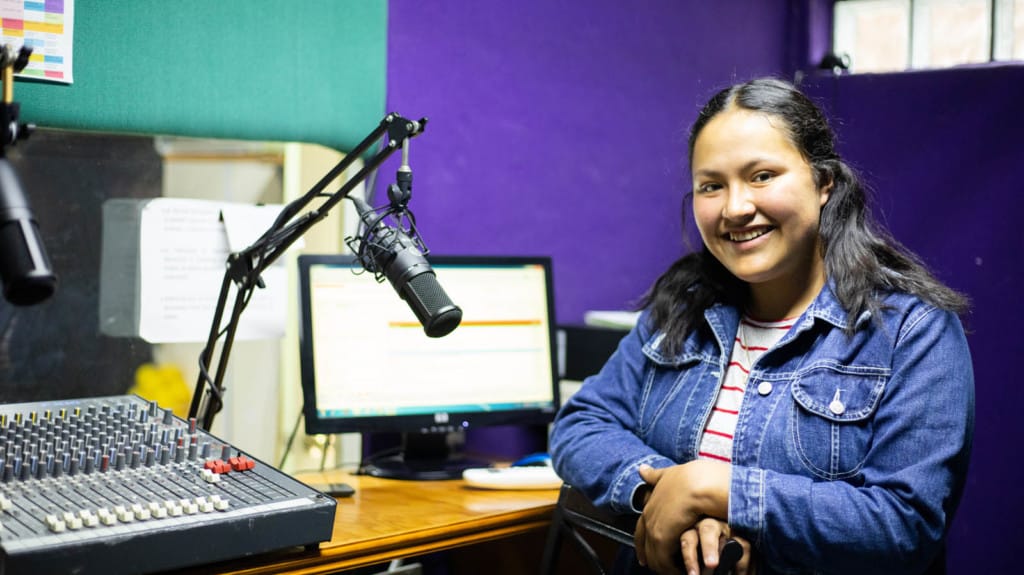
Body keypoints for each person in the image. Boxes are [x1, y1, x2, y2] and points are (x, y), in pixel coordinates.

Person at [549, 77, 974, 575]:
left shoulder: (912, 331)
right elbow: (579, 424)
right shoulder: (681, 309)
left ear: (824, 184)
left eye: (762, 175)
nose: (734, 208)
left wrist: (721, 491)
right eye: (711, 185)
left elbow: (903, 526)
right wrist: (666, 496)